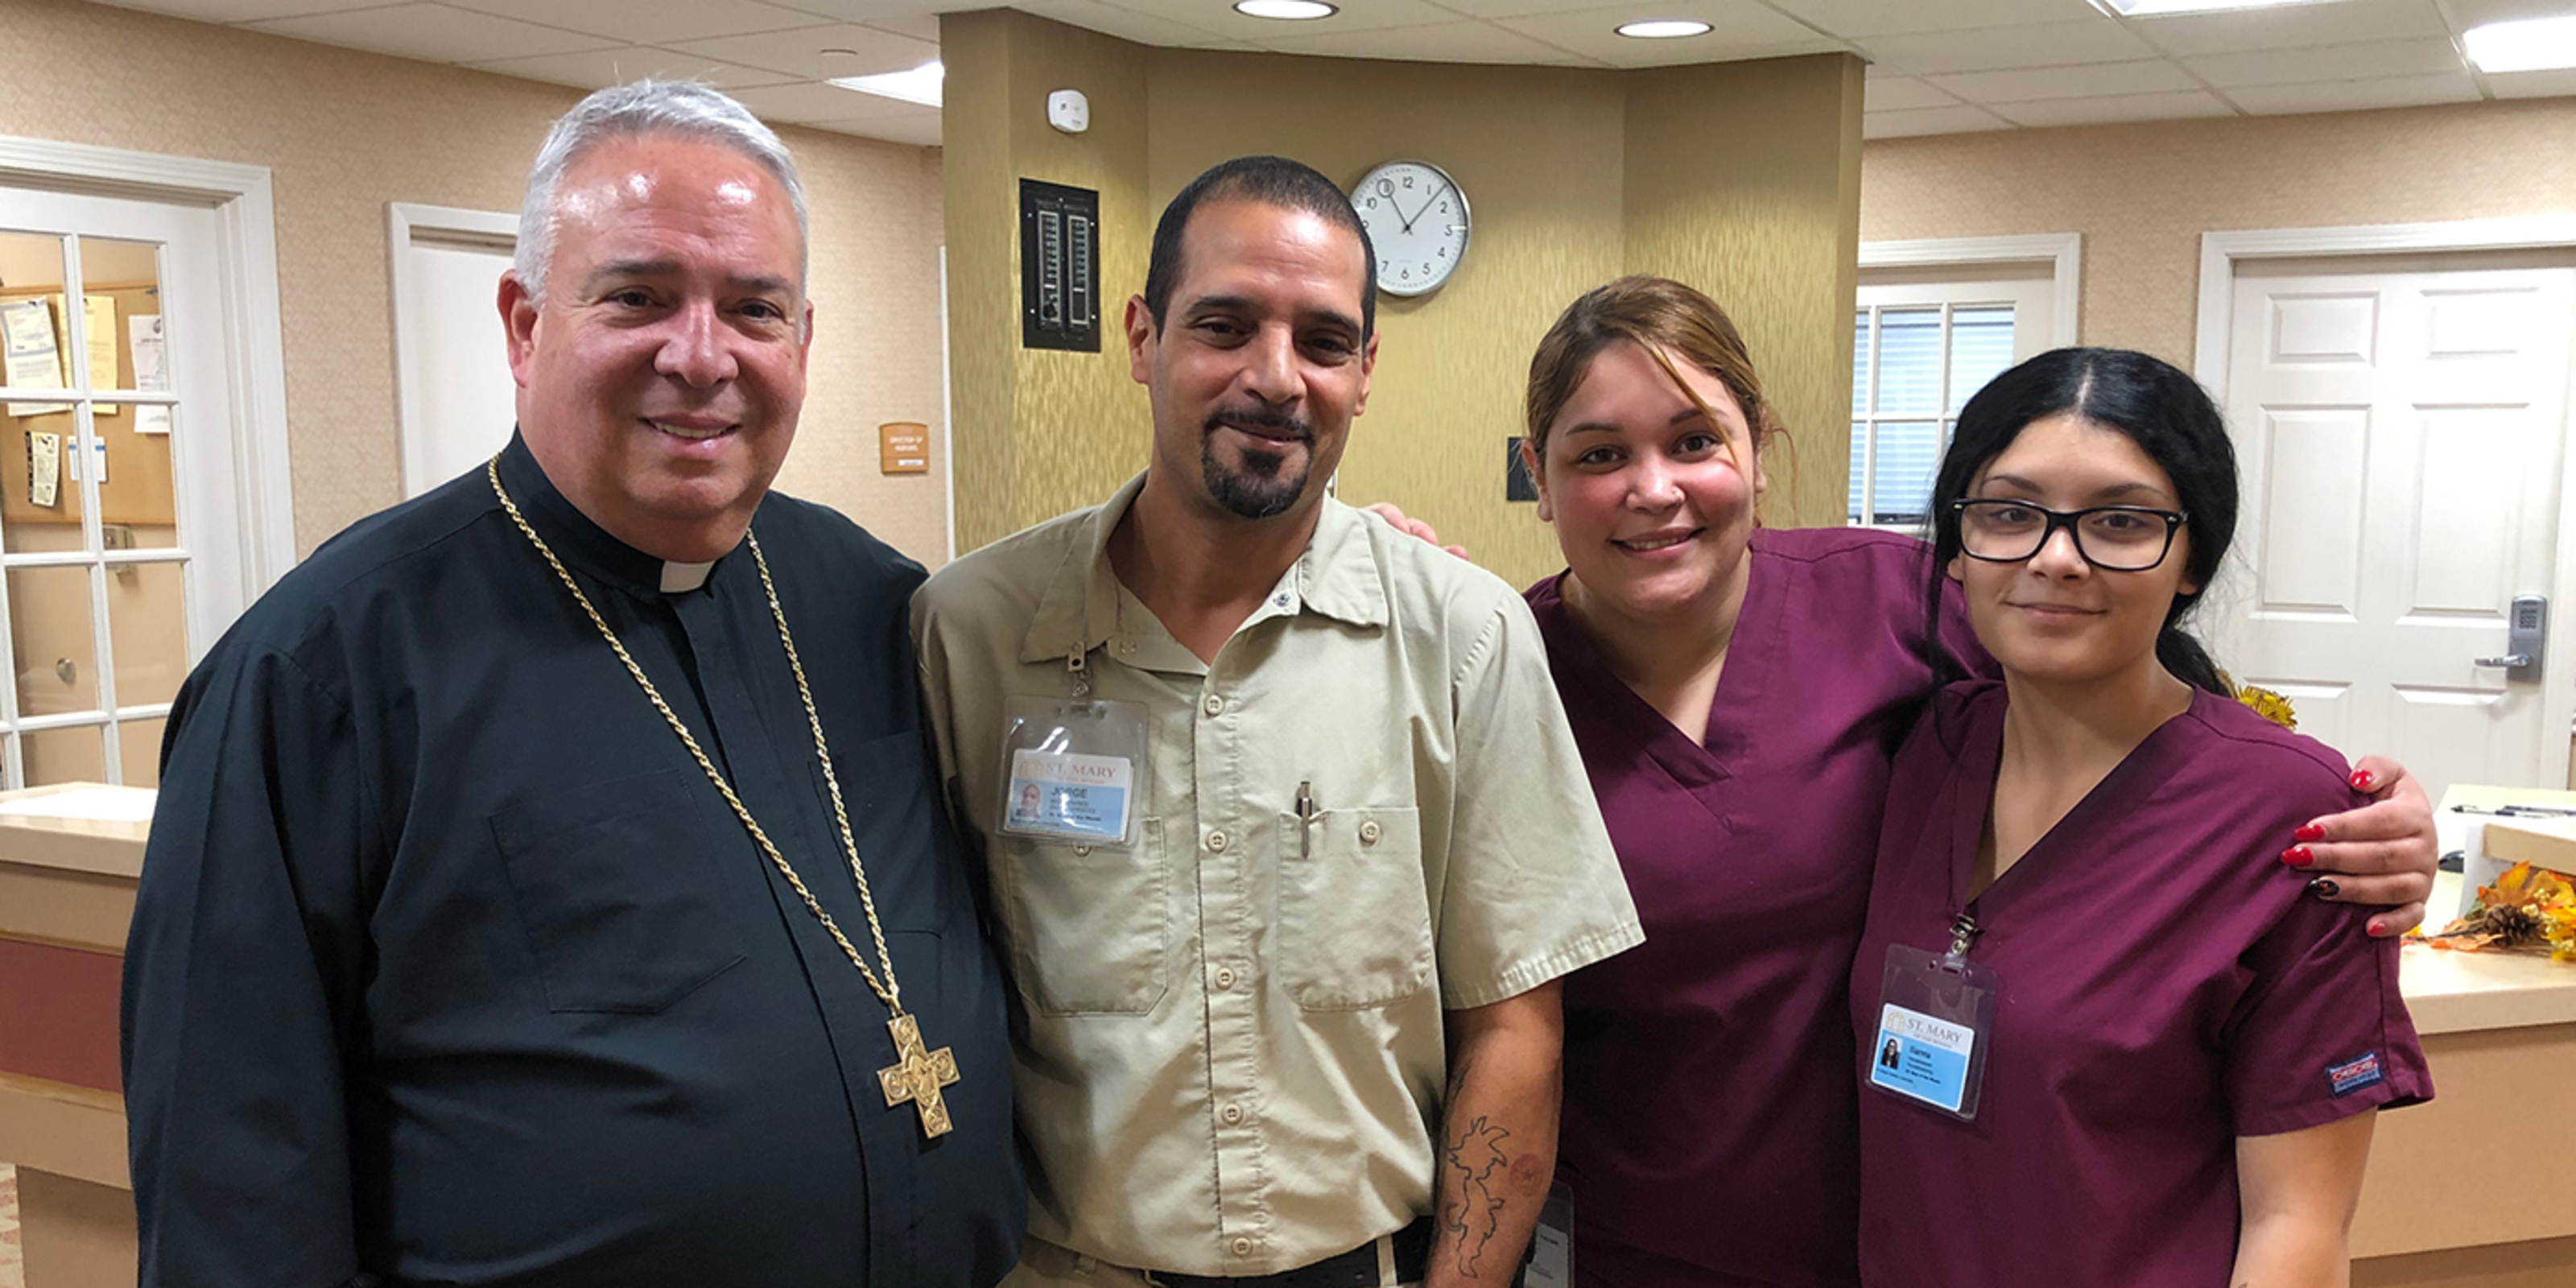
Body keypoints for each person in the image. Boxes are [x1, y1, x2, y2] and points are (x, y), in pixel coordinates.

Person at [122, 81, 1021, 1287]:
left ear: (802, 342)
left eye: (753, 309)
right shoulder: (323, 670)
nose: (701, 355)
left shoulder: (873, 600)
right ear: (524, 323)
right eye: (638, 297)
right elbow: (231, 1173)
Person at [1459, 276, 2439, 1287]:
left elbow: (2148, 727)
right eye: (1599, 453)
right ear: (1539, 474)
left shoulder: (1895, 611)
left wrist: (2365, 812)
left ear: (1756, 447)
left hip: (1895, 1240)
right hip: (1636, 1240)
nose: (1652, 487)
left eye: (1694, 439)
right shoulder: (1490, 678)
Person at [911, 156, 1643, 1288]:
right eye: (1224, 326)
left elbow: (1513, 1025)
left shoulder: (1462, 638)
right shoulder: (971, 634)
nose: (1275, 376)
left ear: (1365, 371)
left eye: (1323, 340)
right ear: (1143, 338)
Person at [1850, 346, 2429, 1284]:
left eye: (2119, 522)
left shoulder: (2294, 823)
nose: (2054, 558)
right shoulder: (1921, 748)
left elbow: (2297, 1224)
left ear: (2191, 556)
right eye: (2008, 513)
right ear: (1955, 544)